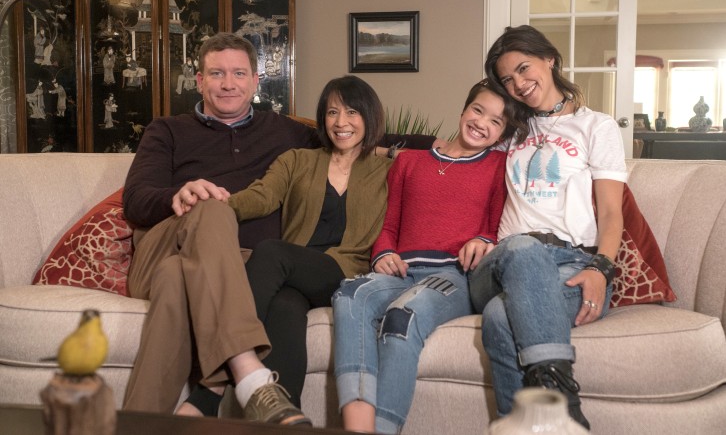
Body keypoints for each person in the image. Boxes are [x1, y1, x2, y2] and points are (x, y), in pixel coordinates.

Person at [122, 32, 433, 425]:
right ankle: (242, 372)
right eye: (216, 73)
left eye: (239, 73)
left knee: (186, 282)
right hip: (172, 244)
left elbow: (351, 136)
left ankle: (138, 423)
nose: (228, 83)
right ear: (199, 80)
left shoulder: (286, 133)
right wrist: (179, 196)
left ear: (256, 80)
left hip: (231, 267)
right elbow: (135, 200)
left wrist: (448, 148)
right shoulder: (166, 130)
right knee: (213, 211)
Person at [178, 75, 392, 417]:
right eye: (332, 112)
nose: (341, 122)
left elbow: (430, 157)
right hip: (297, 274)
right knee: (286, 309)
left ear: (369, 116)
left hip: (346, 271)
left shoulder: (389, 170)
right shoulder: (298, 160)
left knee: (272, 251)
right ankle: (281, 416)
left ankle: (210, 387)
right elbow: (261, 196)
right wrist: (214, 205)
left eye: (352, 112)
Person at [468, 25, 627, 430]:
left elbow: (611, 212)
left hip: (575, 261)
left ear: (549, 59)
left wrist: (600, 268)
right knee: (523, 248)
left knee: (500, 319)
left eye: (524, 69)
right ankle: (564, 408)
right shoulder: (510, 127)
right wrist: (377, 147)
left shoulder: (597, 126)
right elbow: (452, 147)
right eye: (508, 79)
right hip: (507, 260)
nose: (519, 84)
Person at [332, 80, 509, 434]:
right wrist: (382, 252)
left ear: (503, 132)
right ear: (463, 110)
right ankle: (358, 425)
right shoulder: (410, 162)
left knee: (402, 317)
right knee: (349, 294)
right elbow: (389, 225)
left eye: (496, 121)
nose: (482, 123)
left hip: (453, 276)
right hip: (400, 271)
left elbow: (496, 226)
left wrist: (483, 239)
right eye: (478, 110)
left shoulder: (500, 165)